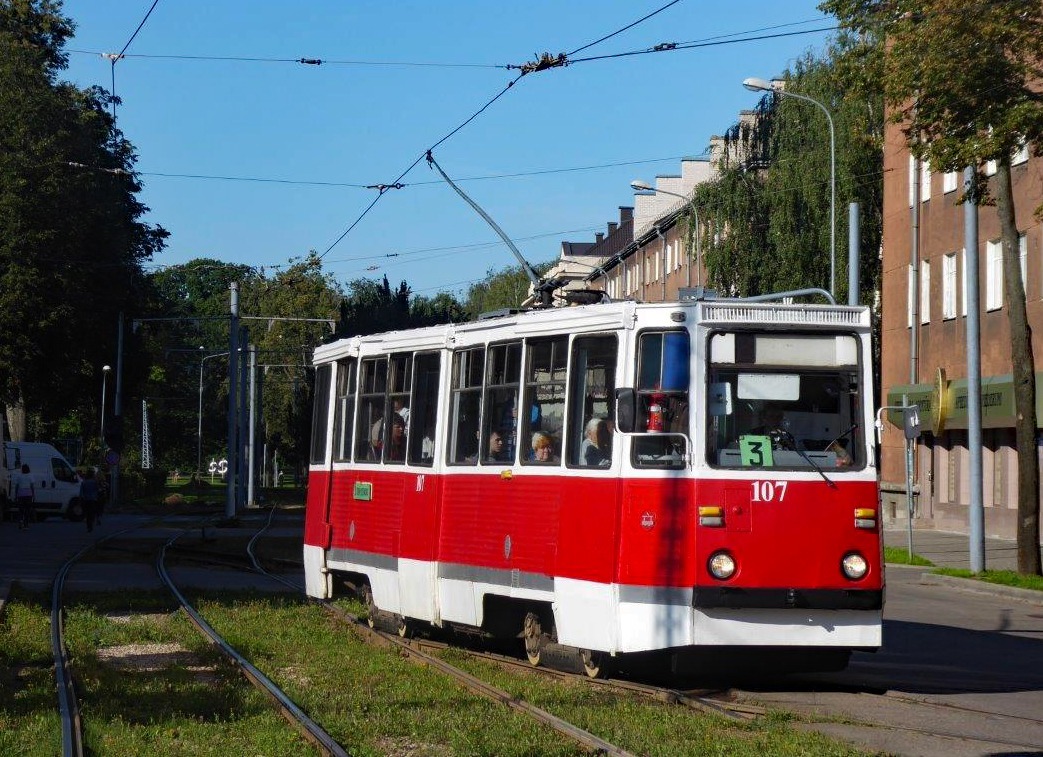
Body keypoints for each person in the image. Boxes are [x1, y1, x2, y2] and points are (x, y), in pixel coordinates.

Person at [13, 463, 34, 530]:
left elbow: (16, 486)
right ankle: (26, 525)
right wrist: (33, 495)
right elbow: (32, 486)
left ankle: (20, 521)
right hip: (28, 494)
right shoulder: (30, 476)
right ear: (28, 469)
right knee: (27, 510)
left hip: (21, 494)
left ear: (22, 470)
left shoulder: (19, 476)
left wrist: (16, 495)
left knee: (21, 510)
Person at [80, 468, 100, 533]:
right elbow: (97, 490)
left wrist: (82, 498)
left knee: (87, 513)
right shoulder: (94, 482)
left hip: (86, 499)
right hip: (93, 499)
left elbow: (81, 492)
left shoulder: (83, 482)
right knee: (92, 512)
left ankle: (89, 526)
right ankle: (92, 523)